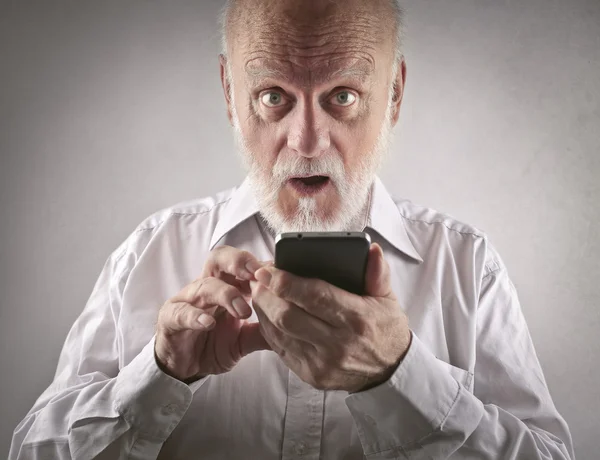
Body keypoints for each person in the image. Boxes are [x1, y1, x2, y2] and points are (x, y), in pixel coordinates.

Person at [10, 0, 575, 458]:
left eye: (343, 96)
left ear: (394, 94)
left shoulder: (468, 267)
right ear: (232, 95)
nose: (306, 142)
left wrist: (401, 379)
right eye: (273, 96)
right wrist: (159, 374)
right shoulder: (150, 254)